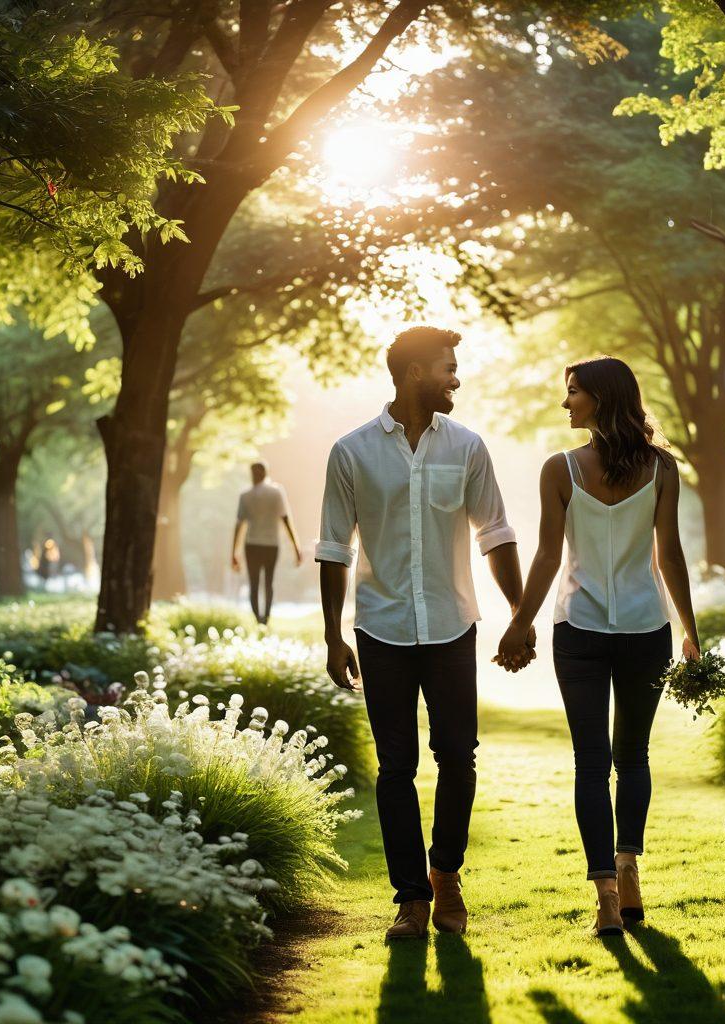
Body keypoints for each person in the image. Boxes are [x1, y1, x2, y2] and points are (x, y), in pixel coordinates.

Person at [317, 325, 534, 941]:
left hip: (449, 624)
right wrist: (334, 636)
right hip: (381, 629)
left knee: (458, 758)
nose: (456, 378)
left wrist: (518, 614)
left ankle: (446, 874)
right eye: (447, 367)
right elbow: (334, 548)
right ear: (415, 374)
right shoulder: (351, 452)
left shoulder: (466, 447)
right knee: (395, 768)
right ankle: (410, 899)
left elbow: (495, 532)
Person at [496, 356, 701, 937]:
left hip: (580, 630)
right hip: (645, 628)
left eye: (573, 392)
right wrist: (689, 630)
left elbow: (546, 556)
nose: (566, 403)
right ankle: (627, 869)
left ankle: (608, 896)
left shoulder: (559, 469)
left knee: (593, 761)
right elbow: (671, 556)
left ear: (602, 399)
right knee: (632, 757)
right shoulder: (662, 468)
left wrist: (521, 621)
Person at [232, 462, 302, 625]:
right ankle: (266, 619)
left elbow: (239, 525)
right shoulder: (277, 492)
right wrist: (296, 548)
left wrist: (233, 553)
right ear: (266, 473)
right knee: (269, 582)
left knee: (254, 583)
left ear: (253, 474)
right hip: (271, 544)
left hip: (252, 545)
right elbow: (286, 520)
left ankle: (258, 619)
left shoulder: (245, 495)